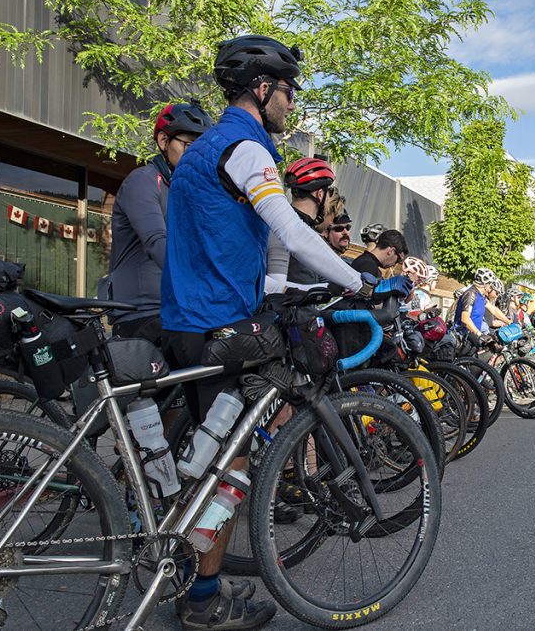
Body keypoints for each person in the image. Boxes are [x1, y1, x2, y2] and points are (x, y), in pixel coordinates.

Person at [161, 35, 400, 630]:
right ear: (261, 89)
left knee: (216, 456)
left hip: (194, 314)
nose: (292, 104)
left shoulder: (204, 149)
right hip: (218, 321)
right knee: (229, 466)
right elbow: (291, 234)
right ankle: (202, 602)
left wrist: (279, 288)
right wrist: (360, 284)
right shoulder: (245, 146)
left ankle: (191, 573)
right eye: (288, 92)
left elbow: (242, 243)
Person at [103, 101, 212, 342]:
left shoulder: (186, 192)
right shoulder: (142, 181)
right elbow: (156, 242)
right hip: (142, 312)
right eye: (190, 145)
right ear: (163, 141)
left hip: (179, 310)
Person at [265, 156, 342, 288]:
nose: (329, 201)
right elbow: (278, 288)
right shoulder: (288, 228)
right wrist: (331, 289)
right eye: (328, 193)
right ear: (320, 195)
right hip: (287, 307)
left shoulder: (281, 221)